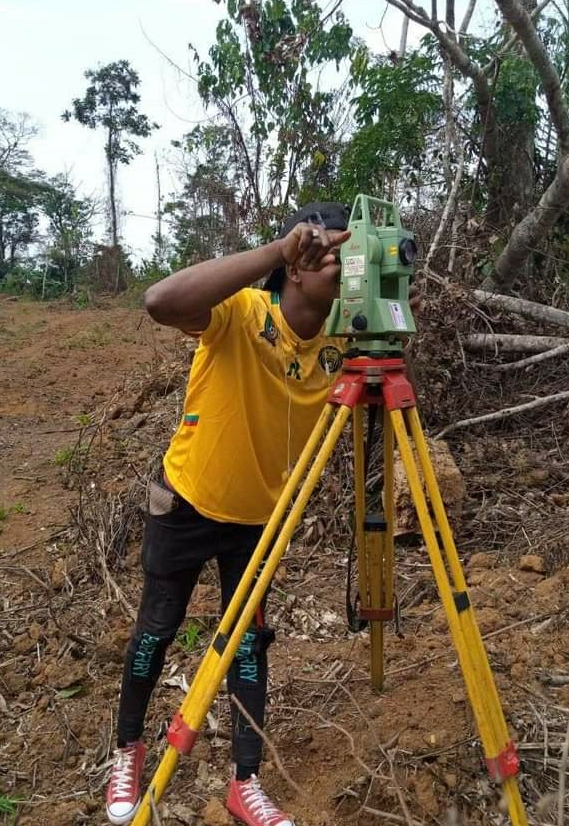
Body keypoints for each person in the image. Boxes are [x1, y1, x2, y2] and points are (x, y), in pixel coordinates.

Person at [105, 202, 354, 826]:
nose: (348, 271)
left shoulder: (346, 342)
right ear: (298, 266)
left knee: (249, 645)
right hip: (187, 499)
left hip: (260, 521)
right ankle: (128, 751)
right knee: (157, 630)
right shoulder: (244, 313)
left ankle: (245, 782)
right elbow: (160, 301)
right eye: (334, 258)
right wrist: (274, 250)